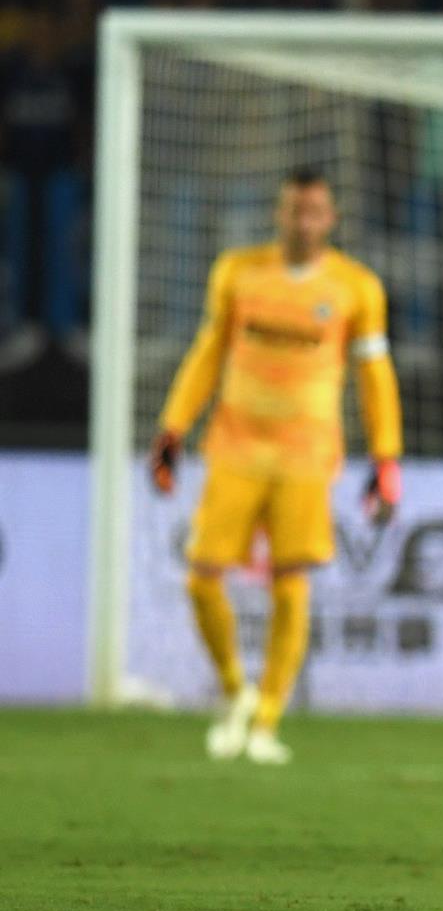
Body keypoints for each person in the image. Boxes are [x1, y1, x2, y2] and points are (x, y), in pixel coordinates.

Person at [149, 168, 403, 765]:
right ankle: (235, 691)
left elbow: (375, 379)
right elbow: (208, 353)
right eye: (293, 210)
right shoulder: (238, 273)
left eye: (314, 211)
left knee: (291, 583)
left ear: (331, 218)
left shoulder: (356, 288)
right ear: (278, 213)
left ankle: (266, 719)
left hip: (306, 457)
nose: (302, 221)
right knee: (202, 574)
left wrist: (386, 457)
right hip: (234, 447)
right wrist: (172, 428)